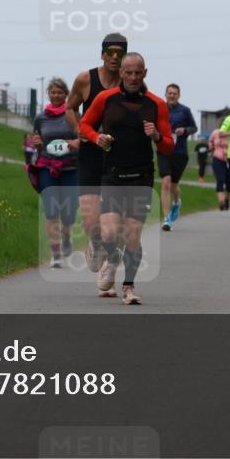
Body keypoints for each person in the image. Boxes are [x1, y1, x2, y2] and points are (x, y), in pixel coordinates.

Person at [79, 52, 173, 305]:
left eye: (138, 72)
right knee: (109, 234)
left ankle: (129, 287)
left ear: (145, 73)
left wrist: (156, 136)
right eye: (128, 72)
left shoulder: (156, 104)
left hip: (141, 177)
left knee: (132, 235)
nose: (133, 77)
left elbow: (168, 146)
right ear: (120, 73)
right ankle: (110, 256)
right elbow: (83, 125)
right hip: (112, 175)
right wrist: (95, 137)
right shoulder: (105, 98)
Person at [65, 32, 125, 276]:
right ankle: (95, 243)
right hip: (90, 153)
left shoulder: (130, 81)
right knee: (91, 222)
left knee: (113, 223)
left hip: (118, 157)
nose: (114, 57)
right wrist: (79, 131)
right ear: (102, 54)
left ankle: (109, 268)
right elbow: (70, 107)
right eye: (109, 52)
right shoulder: (85, 79)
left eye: (119, 53)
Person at [30, 78, 80, 268]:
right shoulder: (41, 117)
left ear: (66, 94)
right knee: (51, 211)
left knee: (69, 211)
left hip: (70, 167)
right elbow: (37, 140)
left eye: (60, 92)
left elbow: (84, 138)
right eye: (53, 92)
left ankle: (67, 236)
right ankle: (56, 253)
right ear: (49, 94)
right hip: (47, 167)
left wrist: (75, 143)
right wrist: (36, 144)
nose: (56, 95)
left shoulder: (74, 115)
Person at [159, 83, 198, 231]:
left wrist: (185, 130)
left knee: (174, 185)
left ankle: (177, 202)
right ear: (166, 94)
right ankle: (167, 218)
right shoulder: (159, 108)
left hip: (180, 152)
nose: (172, 95)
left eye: (174, 93)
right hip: (164, 150)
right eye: (169, 93)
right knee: (166, 182)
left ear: (179, 95)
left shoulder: (185, 111)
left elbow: (194, 127)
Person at [208, 126, 230, 210]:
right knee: (220, 179)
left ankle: (226, 199)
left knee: (229, 184)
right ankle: (221, 202)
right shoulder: (216, 133)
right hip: (217, 159)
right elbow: (210, 141)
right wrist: (211, 148)